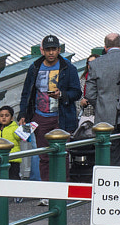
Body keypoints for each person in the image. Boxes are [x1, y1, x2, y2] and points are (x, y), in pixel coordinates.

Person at [19, 35, 82, 181]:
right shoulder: (34, 68)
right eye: (48, 50)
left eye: (54, 49)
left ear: (59, 50)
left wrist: (62, 95)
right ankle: (46, 191)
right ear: (42, 51)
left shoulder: (68, 68)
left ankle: (62, 189)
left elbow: (77, 92)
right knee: (44, 156)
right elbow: (26, 93)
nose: (51, 53)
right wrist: (23, 114)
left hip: (62, 117)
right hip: (39, 117)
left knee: (62, 155)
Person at [82, 33, 120, 166]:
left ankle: (114, 184)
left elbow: (89, 94)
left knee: (112, 157)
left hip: (106, 118)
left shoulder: (95, 64)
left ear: (105, 47)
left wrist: (102, 105)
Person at [0, 106, 26, 198]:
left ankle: (17, 194)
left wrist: (23, 128)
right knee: (0, 177)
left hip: (13, 158)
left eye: (7, 115)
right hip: (0, 159)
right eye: (1, 116)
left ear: (12, 118)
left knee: (14, 176)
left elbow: (20, 137)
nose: (4, 117)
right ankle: (3, 194)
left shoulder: (14, 128)